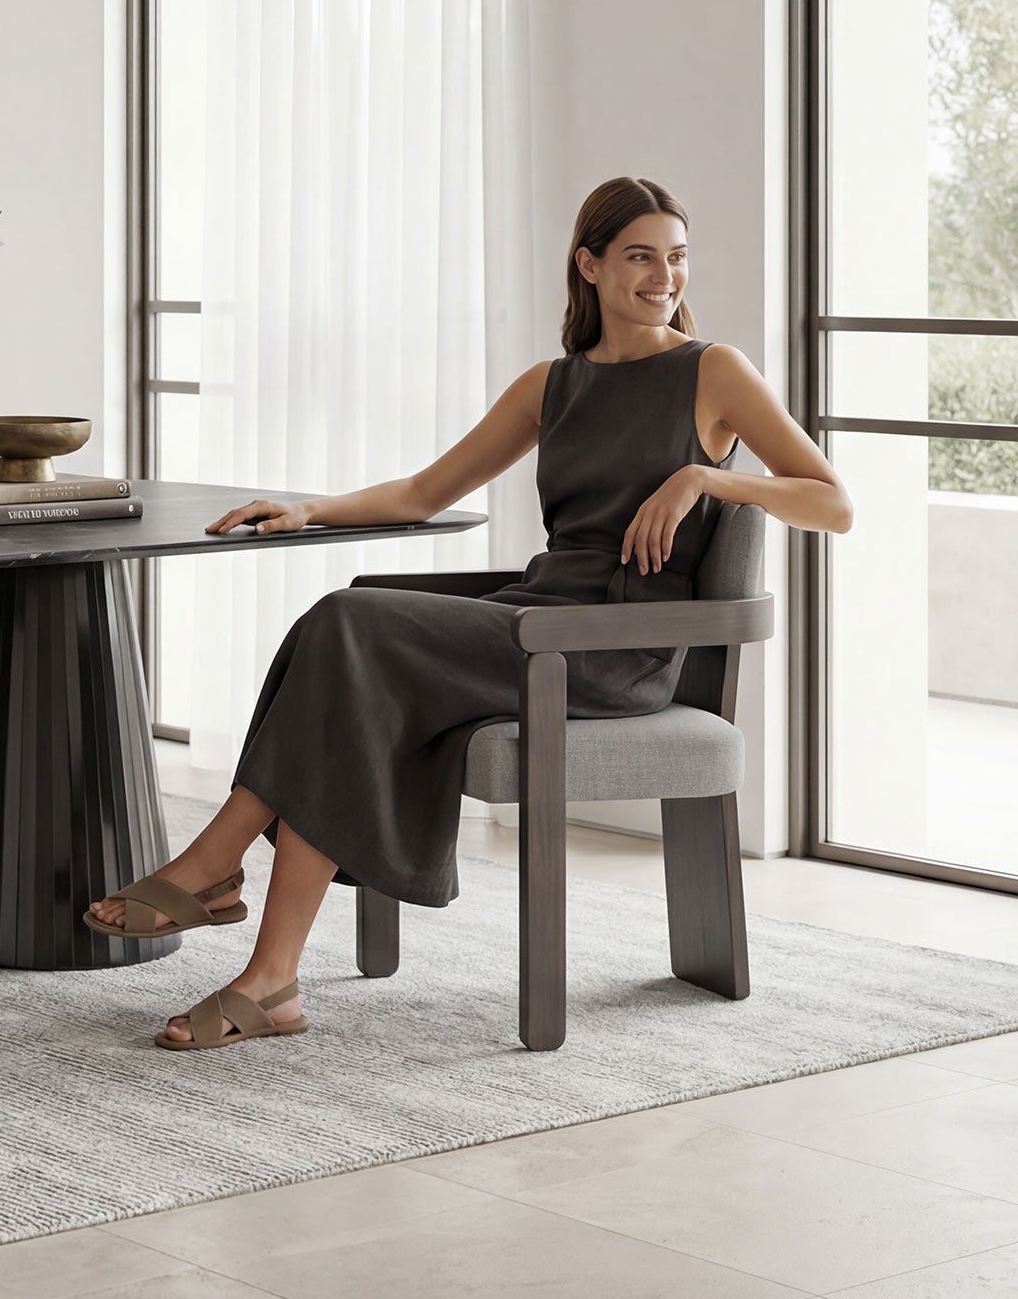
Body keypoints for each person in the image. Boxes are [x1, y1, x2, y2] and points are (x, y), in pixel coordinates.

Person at [84, 176, 853, 1051]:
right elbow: (424, 490)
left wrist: (704, 476)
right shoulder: (553, 384)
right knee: (347, 633)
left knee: (347, 624)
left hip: (608, 651)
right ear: (590, 265)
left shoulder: (711, 371)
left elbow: (833, 504)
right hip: (536, 620)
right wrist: (311, 510)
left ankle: (215, 869)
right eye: (640, 256)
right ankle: (270, 982)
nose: (662, 277)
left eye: (675, 257)